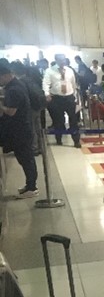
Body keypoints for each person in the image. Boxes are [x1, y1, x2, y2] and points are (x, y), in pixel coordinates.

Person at [0, 62, 38, 198]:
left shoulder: (14, 90)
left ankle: (32, 187)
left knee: (26, 159)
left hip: (20, 130)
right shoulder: (17, 85)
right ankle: (30, 185)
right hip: (23, 127)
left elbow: (11, 112)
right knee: (25, 159)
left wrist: (1, 107)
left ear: (6, 75)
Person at [42, 54, 81, 148]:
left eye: (64, 59)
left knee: (73, 120)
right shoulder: (50, 71)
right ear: (56, 60)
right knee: (58, 120)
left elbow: (73, 83)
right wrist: (47, 94)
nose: (63, 61)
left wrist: (75, 96)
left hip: (69, 97)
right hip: (56, 98)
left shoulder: (69, 70)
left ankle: (76, 141)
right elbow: (45, 83)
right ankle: (58, 138)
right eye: (60, 60)